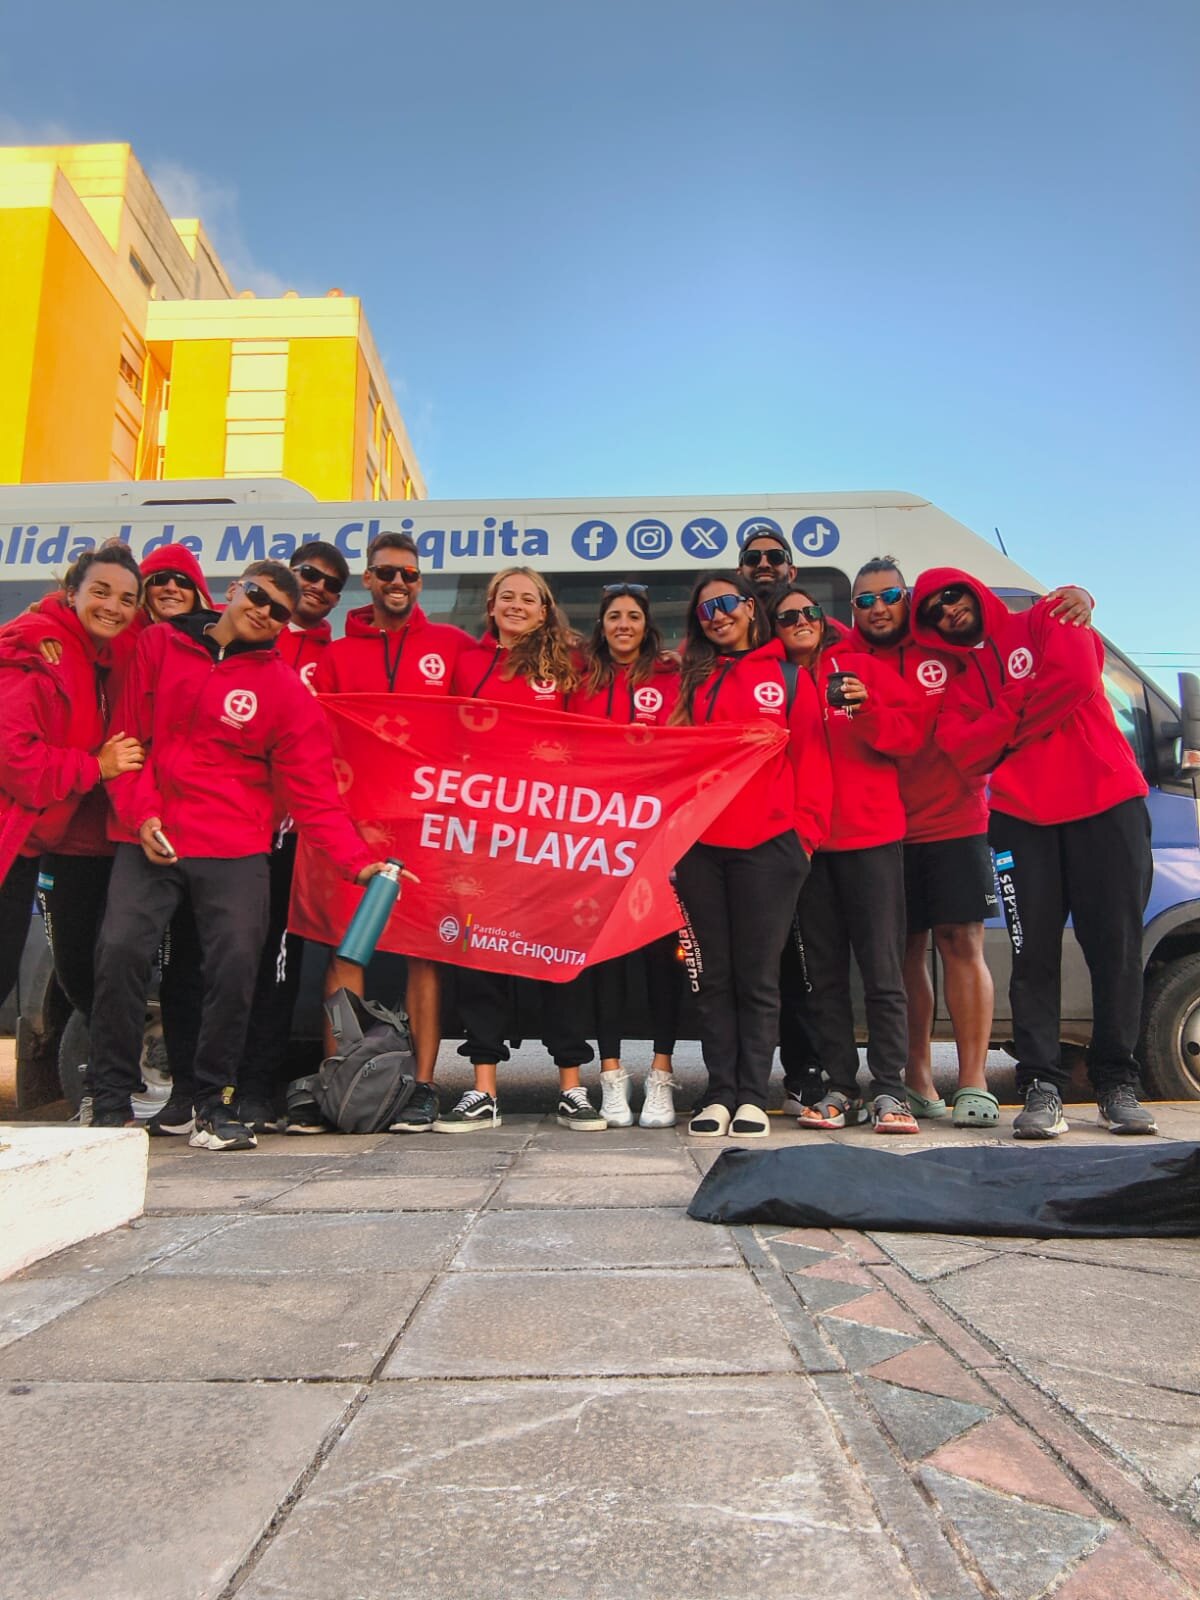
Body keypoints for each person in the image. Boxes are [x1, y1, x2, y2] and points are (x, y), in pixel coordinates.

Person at [88, 561, 397, 1146]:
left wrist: (358, 863)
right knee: (120, 952)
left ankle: (215, 1104)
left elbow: (315, 795)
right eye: (257, 596)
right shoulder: (161, 644)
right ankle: (109, 1102)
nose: (264, 612)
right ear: (233, 590)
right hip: (148, 834)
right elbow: (127, 743)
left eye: (279, 611)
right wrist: (142, 817)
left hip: (233, 847)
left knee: (235, 971)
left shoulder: (285, 690)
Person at [911, 567, 1156, 1138]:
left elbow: (1075, 678)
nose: (947, 610)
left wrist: (1004, 729)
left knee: (1116, 952)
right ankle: (1042, 1086)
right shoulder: (961, 682)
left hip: (1108, 803)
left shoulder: (1049, 614)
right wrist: (1025, 703)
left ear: (974, 590)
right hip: (1022, 822)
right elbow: (966, 753)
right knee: (1032, 958)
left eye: (953, 595)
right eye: (933, 611)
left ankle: (1116, 1085)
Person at [311, 531, 473, 1134]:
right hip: (354, 828)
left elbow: (502, 691)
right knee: (345, 952)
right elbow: (313, 739)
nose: (398, 582)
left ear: (419, 581)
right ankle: (339, 1082)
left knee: (423, 956)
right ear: (369, 580)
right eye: (386, 573)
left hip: (429, 827)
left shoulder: (451, 645)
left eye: (408, 573)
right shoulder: (336, 657)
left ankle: (424, 1087)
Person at [669, 572, 831, 1138]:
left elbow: (812, 762)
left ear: (749, 608)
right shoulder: (689, 680)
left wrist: (803, 840)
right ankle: (720, 1093)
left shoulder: (788, 677)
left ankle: (753, 1098)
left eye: (726, 603)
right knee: (713, 977)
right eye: (705, 608)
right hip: (701, 850)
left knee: (759, 979)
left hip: (770, 848)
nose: (717, 615)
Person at [443, 566, 605, 1131]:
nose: (516, 605)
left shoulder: (569, 662)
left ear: (544, 609)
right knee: (479, 957)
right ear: (490, 606)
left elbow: (588, 739)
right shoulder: (466, 662)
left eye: (527, 599)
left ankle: (572, 1086)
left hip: (547, 838)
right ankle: (483, 1088)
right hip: (479, 836)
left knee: (557, 956)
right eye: (506, 597)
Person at [772, 583, 924, 1134]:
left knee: (883, 973)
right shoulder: (774, 683)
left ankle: (889, 1089)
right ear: (775, 629)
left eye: (810, 611)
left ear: (823, 618)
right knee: (824, 978)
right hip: (809, 846)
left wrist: (868, 709)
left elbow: (909, 739)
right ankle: (841, 1087)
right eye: (787, 616)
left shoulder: (863, 669)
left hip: (873, 839)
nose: (801, 620)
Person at [234, 541, 355, 1134]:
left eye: (332, 584)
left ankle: (257, 1089)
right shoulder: (246, 639)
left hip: (296, 834)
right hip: (228, 828)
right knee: (224, 961)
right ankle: (202, 1088)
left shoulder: (338, 656)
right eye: (309, 574)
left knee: (278, 967)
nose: (318, 587)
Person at [0, 547, 145, 1016]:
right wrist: (96, 767)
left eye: (126, 599)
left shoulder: (89, 656)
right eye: (100, 592)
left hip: (22, 847)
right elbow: (15, 761)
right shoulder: (44, 654)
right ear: (70, 594)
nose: (113, 607)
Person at [569, 582, 682, 1128]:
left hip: (659, 843)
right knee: (605, 962)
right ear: (602, 625)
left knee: (664, 961)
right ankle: (612, 1076)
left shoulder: (670, 677)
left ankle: (660, 1074)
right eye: (614, 616)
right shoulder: (581, 680)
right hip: (597, 844)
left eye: (633, 616)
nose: (623, 625)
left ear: (646, 625)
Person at [737, 525, 796, 600]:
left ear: (791, 574)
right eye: (752, 558)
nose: (763, 564)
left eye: (775, 557)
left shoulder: (807, 606)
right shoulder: (725, 607)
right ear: (739, 575)